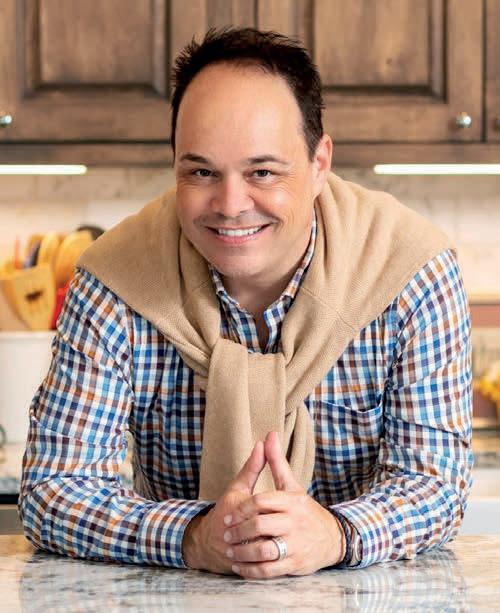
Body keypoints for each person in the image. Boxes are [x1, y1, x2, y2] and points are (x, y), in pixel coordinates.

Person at [18, 27, 473, 580]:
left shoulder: (410, 270)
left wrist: (335, 534)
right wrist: (193, 536)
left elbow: (434, 485)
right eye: (201, 172)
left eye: (263, 172)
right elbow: (53, 490)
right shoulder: (115, 278)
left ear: (320, 163)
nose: (231, 205)